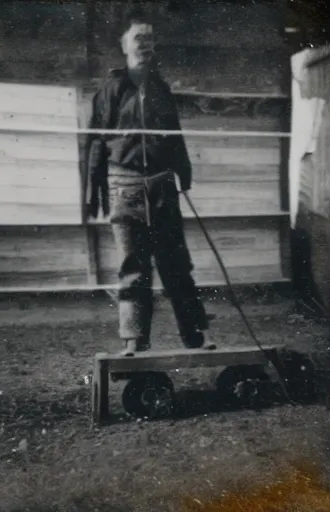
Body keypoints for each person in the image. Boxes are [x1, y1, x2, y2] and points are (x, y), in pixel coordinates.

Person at [85, 7, 215, 356]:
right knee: (133, 267)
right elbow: (96, 140)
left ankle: (195, 335)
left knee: (176, 265)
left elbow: (175, 136)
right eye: (139, 37)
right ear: (124, 43)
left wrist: (183, 174)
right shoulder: (111, 89)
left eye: (150, 39)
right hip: (124, 187)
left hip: (161, 185)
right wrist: (92, 188)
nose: (146, 44)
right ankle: (134, 339)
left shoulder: (161, 89)